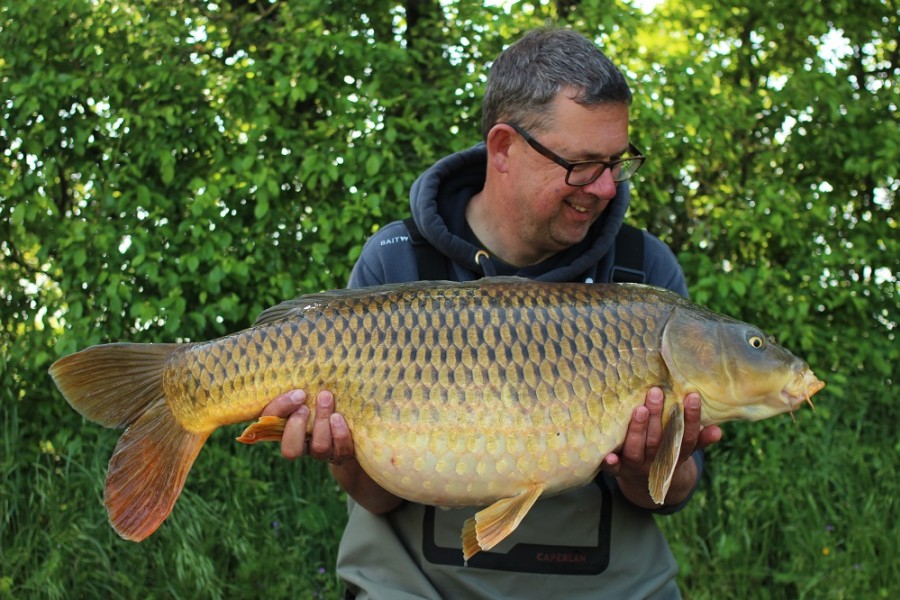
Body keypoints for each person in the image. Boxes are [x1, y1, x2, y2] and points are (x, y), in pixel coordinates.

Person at [262, 26, 722, 599]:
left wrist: (648, 467)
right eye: (581, 165)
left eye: (616, 161)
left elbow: (671, 495)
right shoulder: (397, 261)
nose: (605, 188)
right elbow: (377, 496)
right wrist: (344, 456)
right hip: (416, 587)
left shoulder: (643, 274)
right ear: (503, 148)